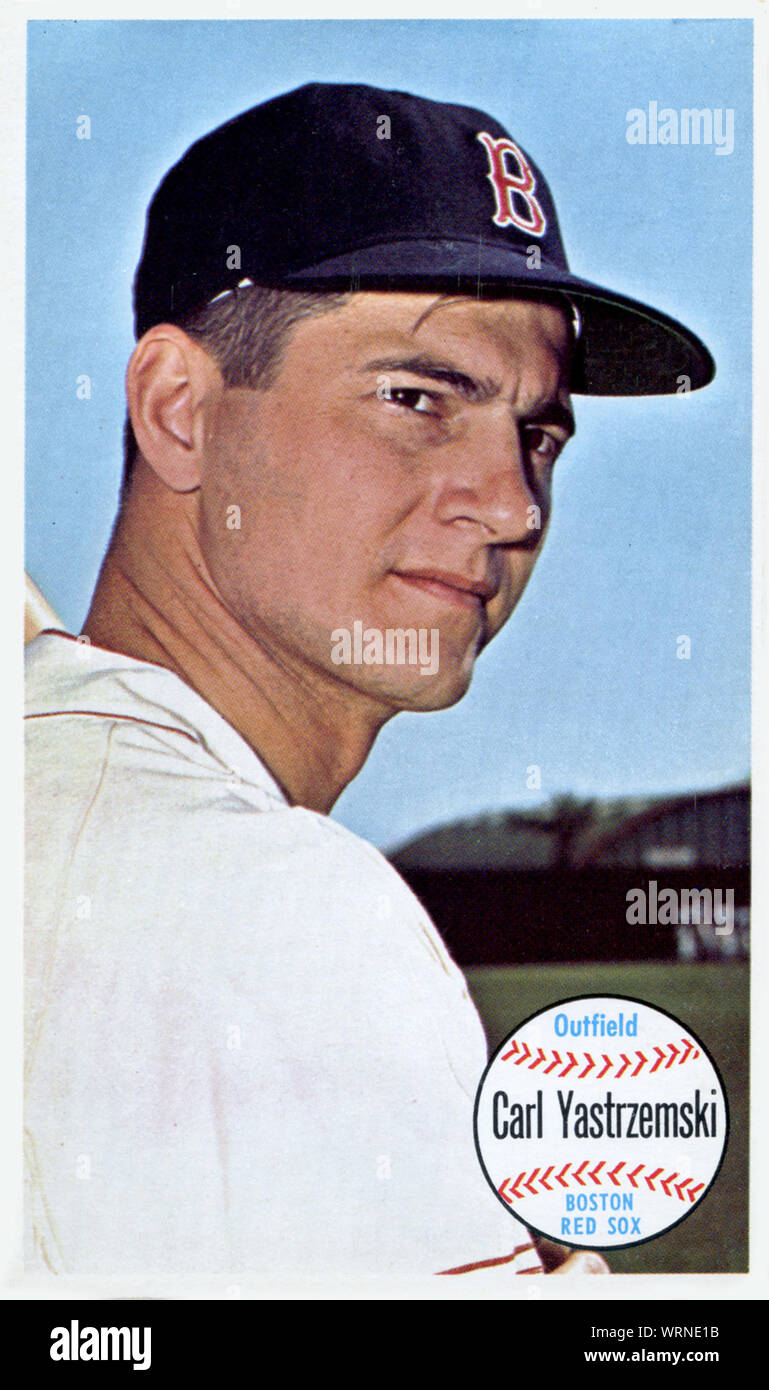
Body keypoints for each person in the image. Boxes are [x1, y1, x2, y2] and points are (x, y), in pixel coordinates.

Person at [24, 82, 713, 1287]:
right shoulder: (281, 907)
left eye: (536, 436)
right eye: (416, 401)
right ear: (179, 411)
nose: (508, 505)